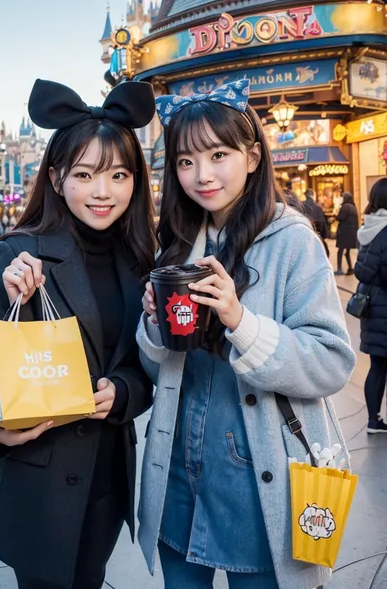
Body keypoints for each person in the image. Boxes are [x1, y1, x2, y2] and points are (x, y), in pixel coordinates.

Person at [0, 79, 156, 589]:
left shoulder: (140, 260)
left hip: (108, 481)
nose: (104, 191)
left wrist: (123, 393)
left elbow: (147, 365)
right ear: (56, 179)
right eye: (86, 174)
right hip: (40, 490)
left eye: (119, 175)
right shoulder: (21, 257)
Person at [137, 81, 355, 589]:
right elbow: (157, 368)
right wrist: (153, 325)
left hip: (260, 477)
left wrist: (242, 322)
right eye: (186, 162)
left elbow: (332, 362)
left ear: (253, 156)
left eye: (218, 155)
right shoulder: (175, 242)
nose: (202, 175)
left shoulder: (292, 241)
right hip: (178, 473)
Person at [354, 178, 387, 434]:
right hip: (383, 307)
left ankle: (373, 420)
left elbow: (363, 270)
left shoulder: (369, 227)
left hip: (372, 307)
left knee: (377, 366)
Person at [335, 191, 358, 275]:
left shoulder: (345, 207)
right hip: (352, 232)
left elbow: (340, 217)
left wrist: (336, 215)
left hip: (344, 232)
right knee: (347, 252)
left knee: (340, 251)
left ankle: (339, 269)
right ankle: (350, 268)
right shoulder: (353, 207)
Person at [303, 189, 329, 257]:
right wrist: (324, 236)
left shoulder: (301, 206)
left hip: (304, 236)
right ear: (312, 196)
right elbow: (323, 223)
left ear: (305, 196)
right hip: (316, 236)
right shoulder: (318, 208)